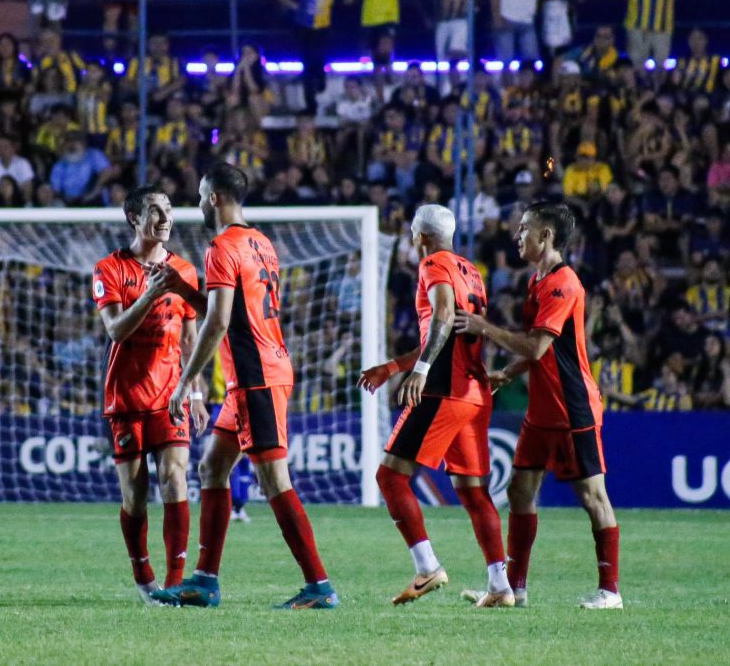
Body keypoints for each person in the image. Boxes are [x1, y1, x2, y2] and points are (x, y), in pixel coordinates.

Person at [152, 163, 339, 610]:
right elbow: (232, 312)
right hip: (253, 375)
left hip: (257, 378)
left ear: (214, 198)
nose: (197, 203)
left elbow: (217, 323)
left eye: (200, 195)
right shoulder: (261, 243)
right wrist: (182, 286)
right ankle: (205, 580)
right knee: (213, 467)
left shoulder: (221, 246)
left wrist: (184, 384)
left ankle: (320, 586)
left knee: (274, 479)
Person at [454, 201, 622, 610]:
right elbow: (538, 353)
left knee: (593, 496)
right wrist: (507, 375)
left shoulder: (563, 285)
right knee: (519, 490)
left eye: (525, 228)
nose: (518, 235)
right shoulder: (538, 280)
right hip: (541, 410)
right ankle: (514, 587)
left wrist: (483, 328)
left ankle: (610, 591)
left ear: (546, 236)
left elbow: (537, 344)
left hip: (571, 408)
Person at [358, 205, 511, 607]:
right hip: (474, 393)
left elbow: (443, 315)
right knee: (475, 493)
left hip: (445, 389)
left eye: (411, 233)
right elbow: (444, 332)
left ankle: (427, 567)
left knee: (390, 478)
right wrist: (393, 367)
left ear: (421, 237)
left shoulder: (432, 264)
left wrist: (421, 370)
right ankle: (500, 586)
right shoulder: (471, 270)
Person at [91, 185, 210, 604]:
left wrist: (195, 393)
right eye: (154, 211)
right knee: (135, 497)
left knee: (176, 478)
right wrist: (152, 293)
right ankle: (144, 576)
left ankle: (176, 583)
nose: (164, 219)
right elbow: (115, 329)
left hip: (171, 395)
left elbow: (193, 338)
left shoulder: (186, 271)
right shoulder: (109, 269)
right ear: (133, 218)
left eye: (169, 210)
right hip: (125, 398)